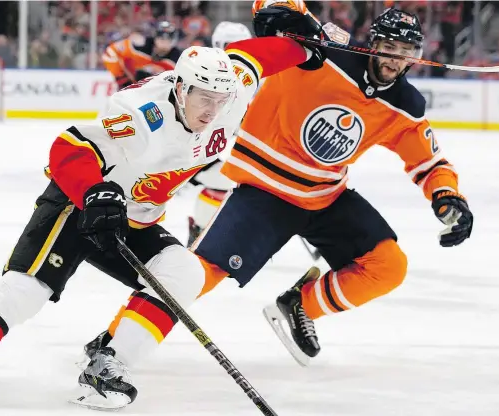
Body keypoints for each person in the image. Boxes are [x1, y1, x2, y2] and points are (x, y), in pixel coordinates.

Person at [0, 34, 317, 411]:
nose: (213, 109)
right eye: (203, 97)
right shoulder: (140, 114)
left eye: (220, 100)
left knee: (183, 271)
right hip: (82, 202)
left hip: (136, 217)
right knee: (27, 290)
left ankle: (106, 366)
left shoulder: (232, 93)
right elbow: (67, 148)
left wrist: (303, 46)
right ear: (181, 87)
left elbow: (255, 58)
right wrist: (94, 193)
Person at [82, 1, 474, 370]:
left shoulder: (405, 104)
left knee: (389, 266)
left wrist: (447, 195)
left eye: (406, 51)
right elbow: (267, 19)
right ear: (373, 44)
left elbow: (429, 160)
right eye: (389, 46)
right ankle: (116, 340)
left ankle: (301, 306)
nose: (395, 58)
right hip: (264, 192)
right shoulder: (321, 56)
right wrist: (293, 18)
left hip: (325, 196)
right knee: (196, 274)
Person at [187, 21, 254, 246]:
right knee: (225, 181)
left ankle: (198, 233)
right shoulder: (205, 74)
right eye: (233, 45)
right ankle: (198, 233)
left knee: (224, 180)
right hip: (184, 151)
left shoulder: (241, 79)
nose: (239, 51)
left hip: (196, 153)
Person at [102, 21, 182, 90]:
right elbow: (110, 53)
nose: (164, 41)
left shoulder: (178, 60)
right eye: (161, 36)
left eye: (168, 38)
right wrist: (122, 79)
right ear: (155, 37)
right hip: (133, 94)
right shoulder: (139, 46)